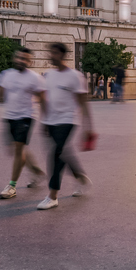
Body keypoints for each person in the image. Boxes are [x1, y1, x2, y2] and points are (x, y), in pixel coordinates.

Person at [0, 46, 47, 200]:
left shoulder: (35, 78)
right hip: (9, 117)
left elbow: (43, 99)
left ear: (30, 62)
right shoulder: (6, 75)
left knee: (19, 150)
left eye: (25, 59)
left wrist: (47, 120)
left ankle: (12, 186)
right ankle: (37, 172)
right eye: (19, 57)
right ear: (15, 58)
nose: (21, 61)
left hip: (26, 117)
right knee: (16, 150)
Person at [37, 43, 93, 210]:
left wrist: (88, 126)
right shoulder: (48, 75)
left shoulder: (75, 76)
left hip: (68, 120)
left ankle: (52, 196)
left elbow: (84, 103)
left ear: (62, 55)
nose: (50, 56)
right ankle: (79, 176)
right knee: (62, 153)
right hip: (51, 120)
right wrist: (44, 120)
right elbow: (45, 99)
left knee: (56, 154)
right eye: (50, 52)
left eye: (54, 53)